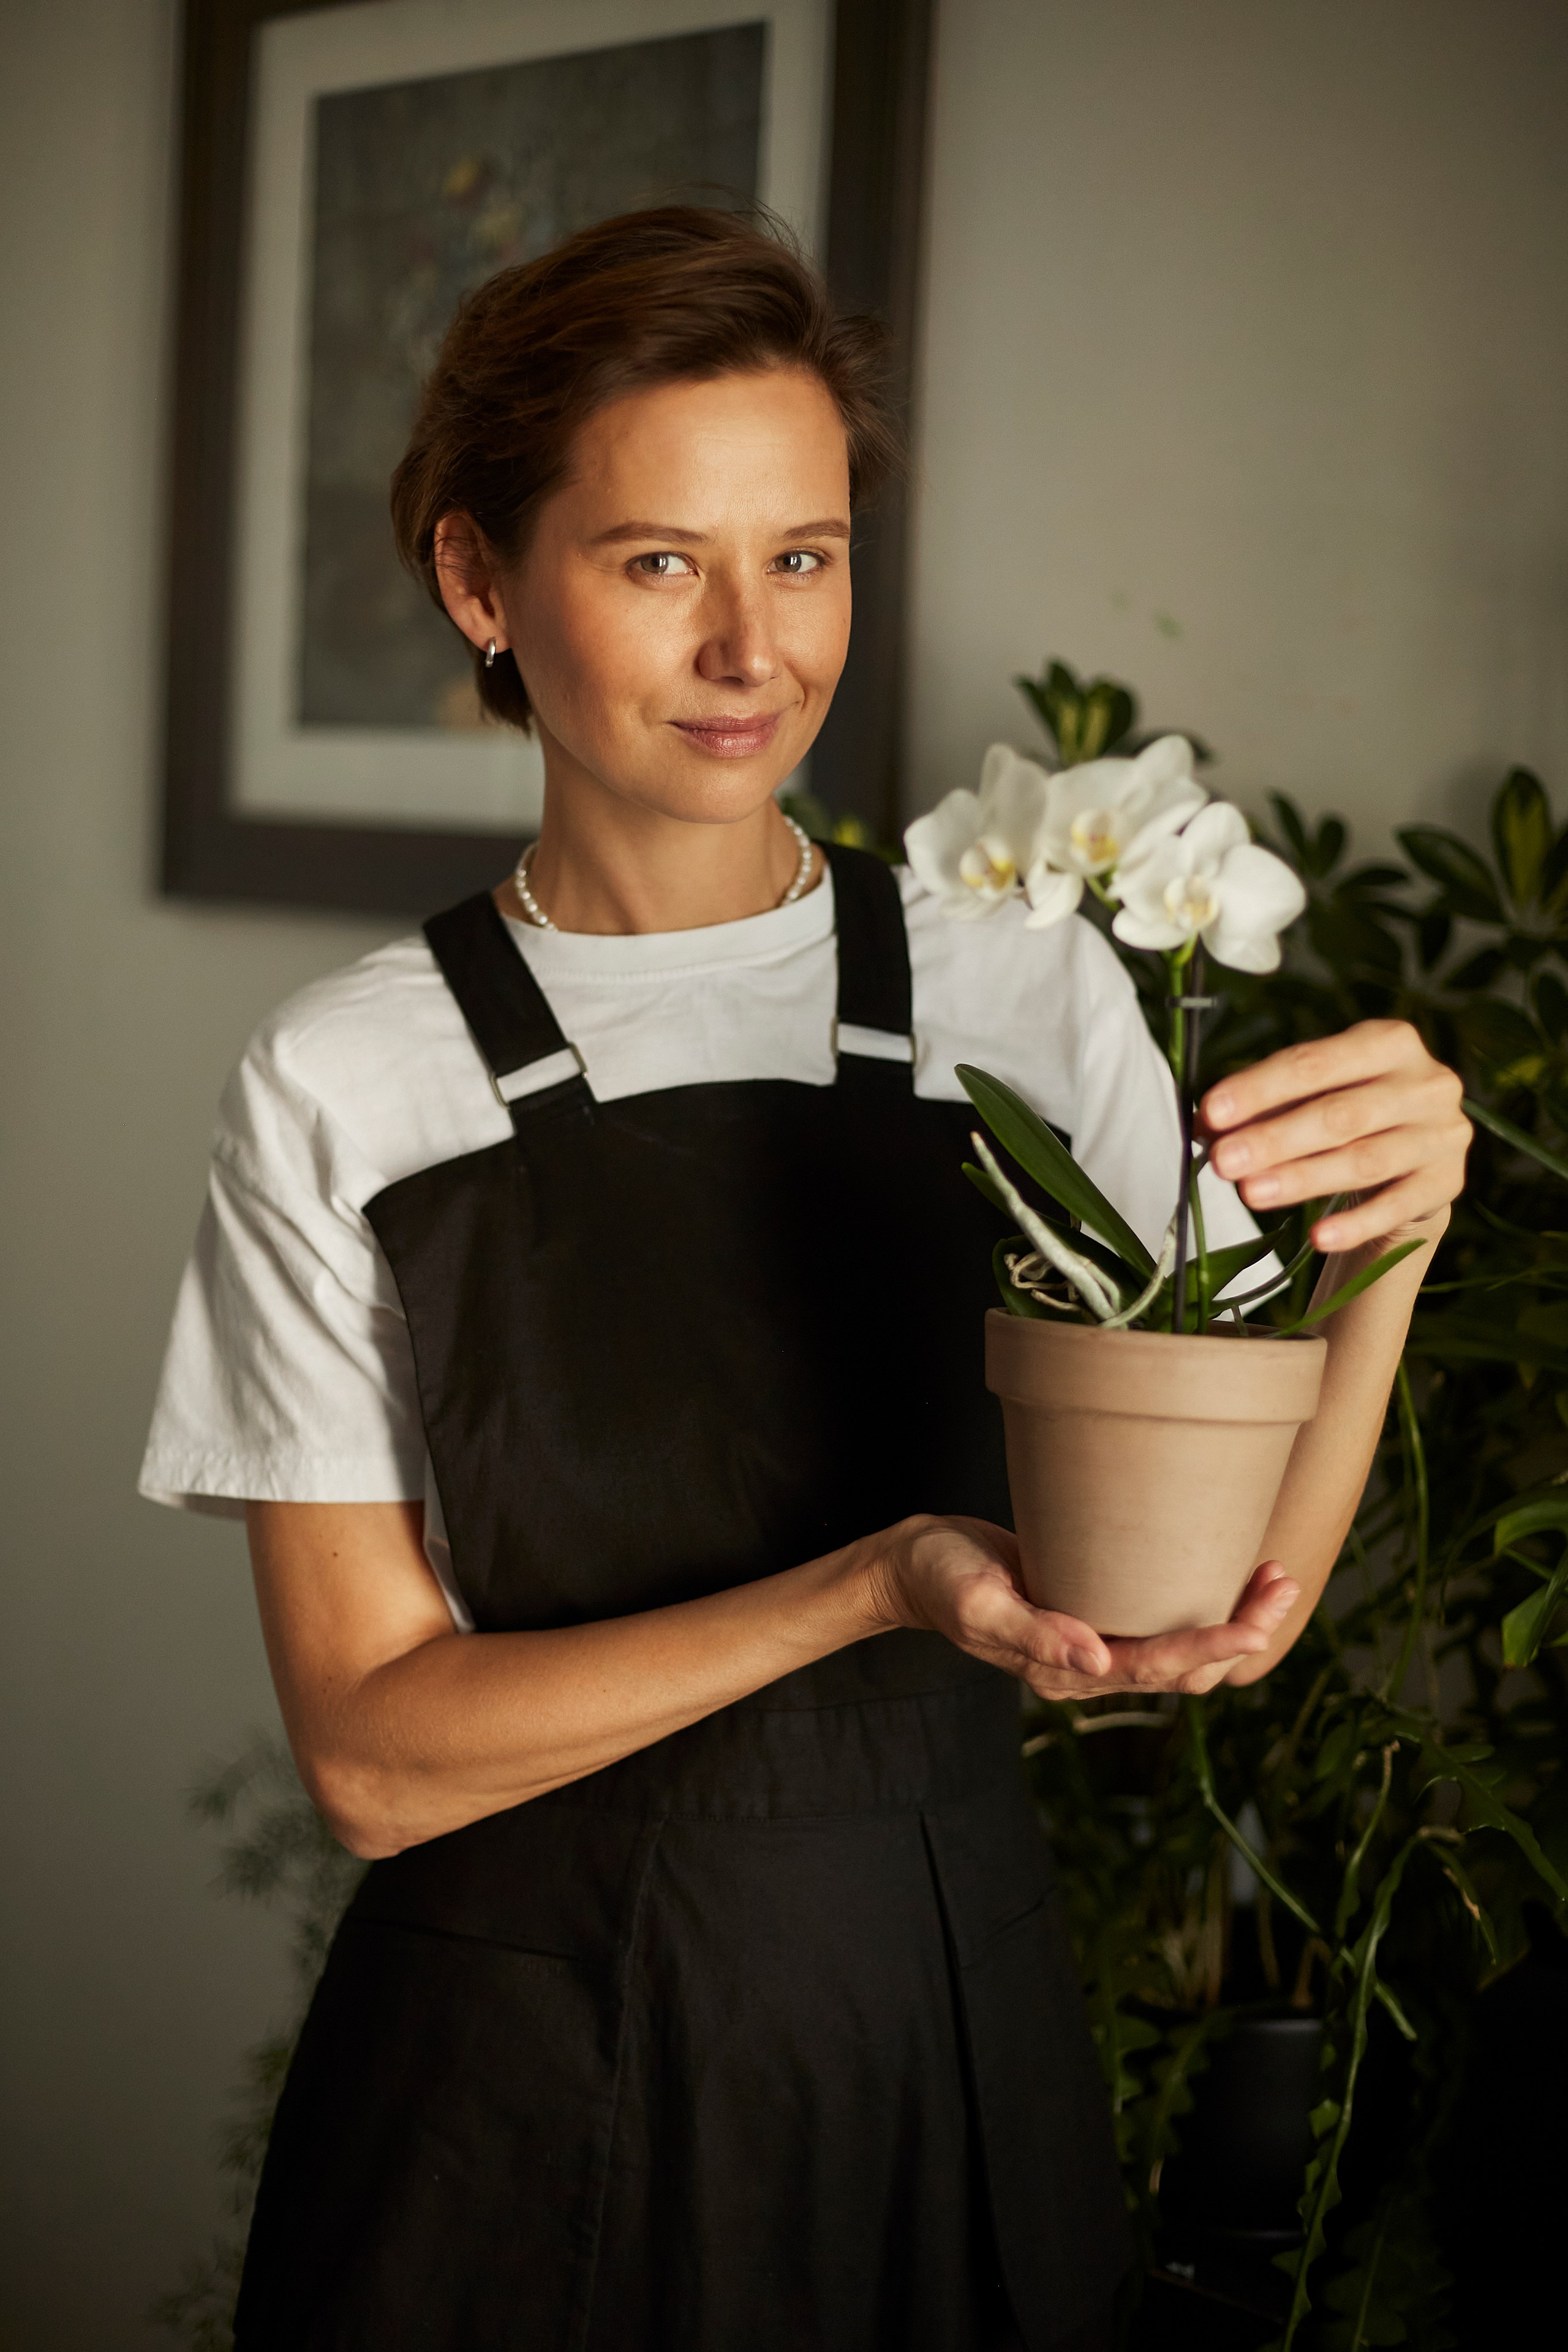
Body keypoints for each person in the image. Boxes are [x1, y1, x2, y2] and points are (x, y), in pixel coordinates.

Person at [140, 207, 1470, 2352]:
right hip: (520, 2091)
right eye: (661, 561)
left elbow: (1221, 1619)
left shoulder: (1021, 995)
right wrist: (873, 1587)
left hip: (944, 2039)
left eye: (807, 556)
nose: (753, 648)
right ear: (481, 581)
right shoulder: (346, 1079)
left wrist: (1397, 1234)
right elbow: (378, 1762)